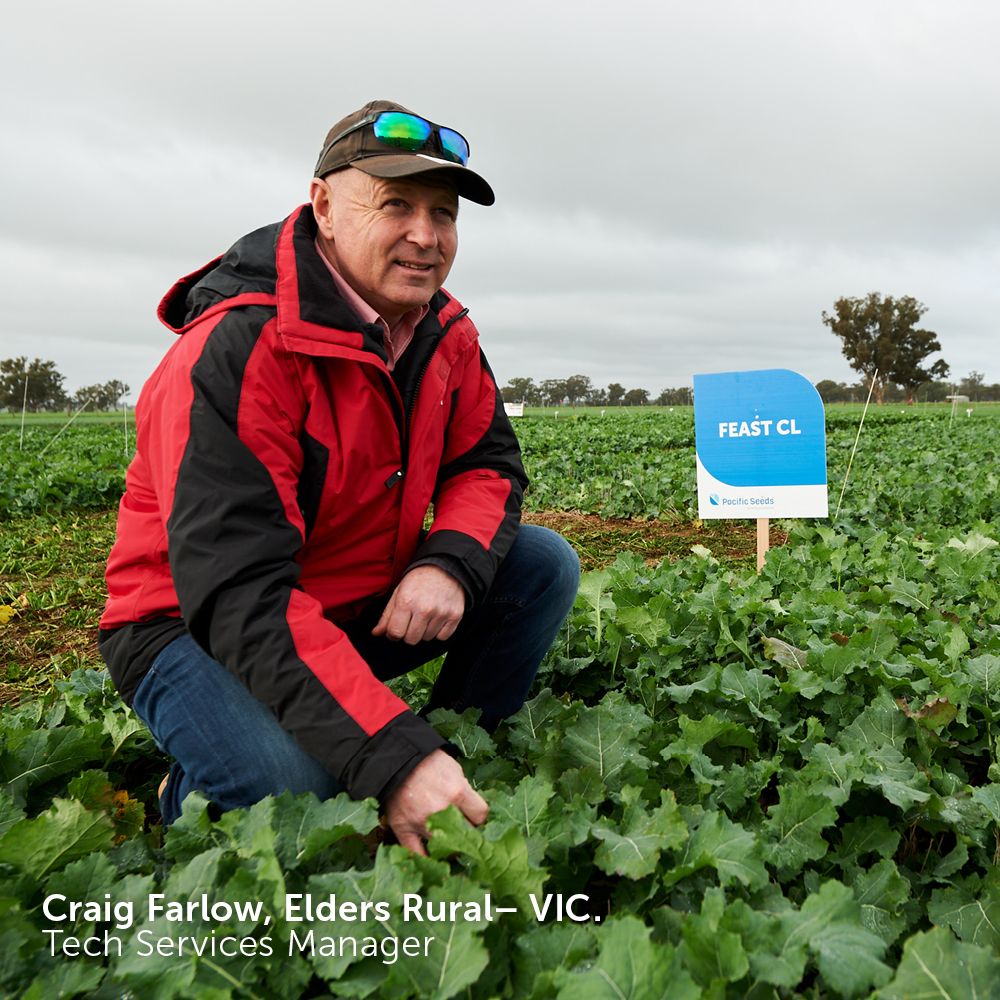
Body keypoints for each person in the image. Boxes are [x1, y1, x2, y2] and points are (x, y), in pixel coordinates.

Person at [98, 100, 580, 854]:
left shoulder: (443, 333)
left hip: (351, 603)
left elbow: (487, 463)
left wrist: (449, 564)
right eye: (395, 204)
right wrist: (385, 758)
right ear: (323, 205)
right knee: (296, 789)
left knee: (540, 564)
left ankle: (450, 764)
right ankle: (191, 791)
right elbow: (237, 596)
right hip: (190, 627)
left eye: (443, 214)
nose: (426, 236)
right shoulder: (239, 348)